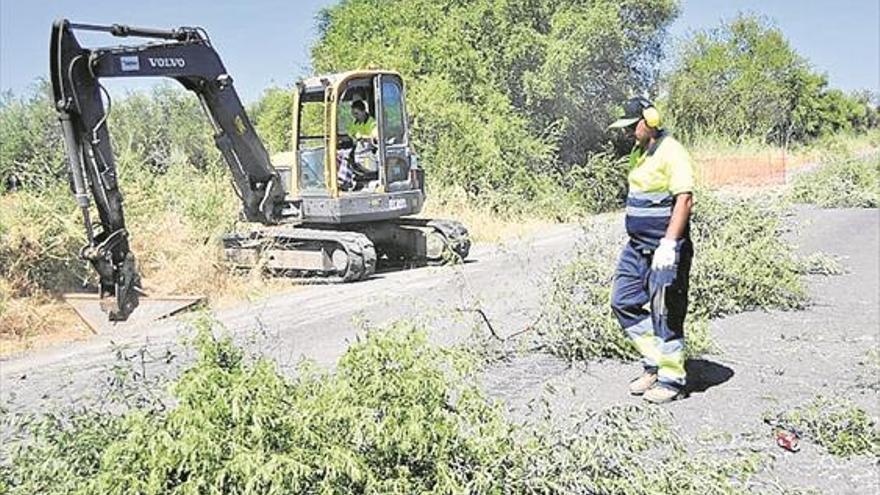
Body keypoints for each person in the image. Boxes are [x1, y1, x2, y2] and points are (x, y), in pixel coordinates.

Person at [608, 96, 695, 404]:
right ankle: (656, 361)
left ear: (650, 121)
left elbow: (684, 200)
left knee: (666, 312)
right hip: (637, 247)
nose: (628, 132)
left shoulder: (673, 152)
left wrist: (670, 244)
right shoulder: (640, 151)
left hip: (664, 248)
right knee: (622, 301)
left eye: (633, 127)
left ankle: (672, 380)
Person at [338, 99, 379, 190]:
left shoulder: (371, 123)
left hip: (368, 151)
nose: (355, 116)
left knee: (346, 154)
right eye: (353, 114)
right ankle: (340, 177)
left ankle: (344, 180)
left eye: (357, 114)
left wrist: (363, 137)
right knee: (339, 153)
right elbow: (350, 134)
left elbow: (375, 137)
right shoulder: (356, 122)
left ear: (363, 111)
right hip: (358, 149)